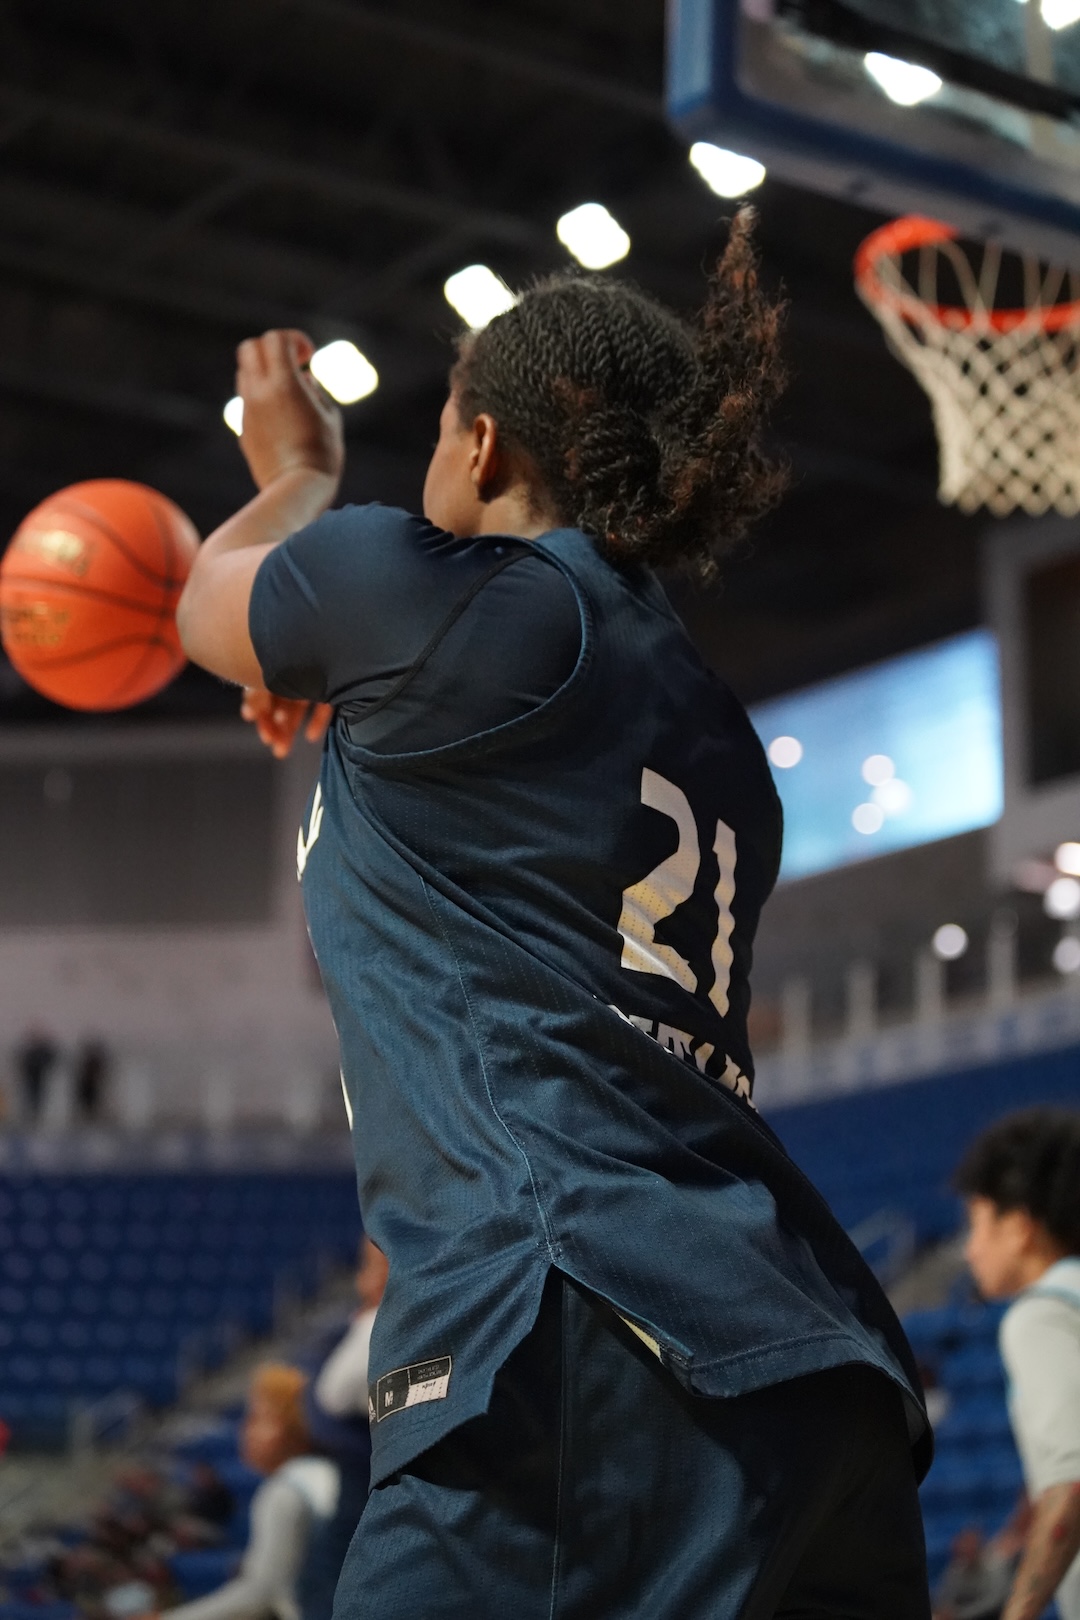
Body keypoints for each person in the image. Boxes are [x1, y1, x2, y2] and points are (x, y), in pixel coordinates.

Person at [176, 209, 931, 1618]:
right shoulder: (709, 724)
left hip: (578, 1341)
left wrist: (294, 474)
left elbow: (201, 604)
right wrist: (354, 681)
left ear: (480, 445)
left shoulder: (430, 594)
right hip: (814, 1380)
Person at [954, 1106, 1080, 1620]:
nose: (968, 1250)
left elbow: (1071, 1479)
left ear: (1021, 1228)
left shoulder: (1041, 1314)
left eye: (977, 1223)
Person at [162, 1366, 339, 1620]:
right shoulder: (328, 1472)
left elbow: (260, 1592)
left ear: (294, 1424)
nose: (247, 1431)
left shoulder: (287, 1489)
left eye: (259, 1418)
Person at [295, 1237, 387, 1620]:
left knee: (330, 1586)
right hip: (358, 1476)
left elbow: (335, 1394)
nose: (359, 1282)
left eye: (371, 1267)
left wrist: (366, 1319)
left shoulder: (379, 1323)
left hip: (365, 1478)